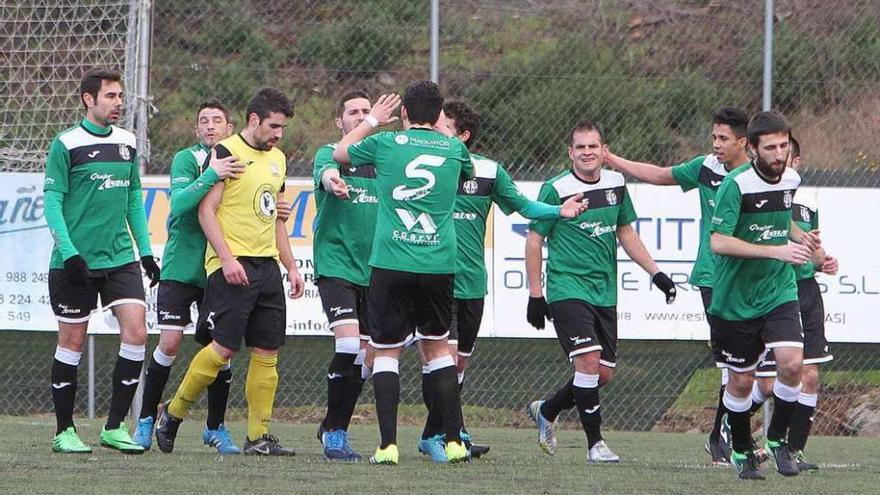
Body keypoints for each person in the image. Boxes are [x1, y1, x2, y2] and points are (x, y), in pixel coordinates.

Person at [416, 101, 588, 462]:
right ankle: (443, 435)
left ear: (462, 135)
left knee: (458, 366)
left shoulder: (490, 172)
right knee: (442, 361)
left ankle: (448, 430)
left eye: (443, 126)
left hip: (472, 283)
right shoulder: (427, 164)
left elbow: (524, 206)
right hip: (434, 279)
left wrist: (560, 210)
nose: (434, 129)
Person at [154, 87, 305, 456]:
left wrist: (291, 266)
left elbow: (276, 219)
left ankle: (258, 437)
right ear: (254, 120)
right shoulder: (225, 153)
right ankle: (172, 415)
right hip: (231, 264)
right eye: (274, 126)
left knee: (268, 352)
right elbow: (205, 212)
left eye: (283, 127)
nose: (278, 134)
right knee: (222, 350)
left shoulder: (278, 160)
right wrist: (226, 258)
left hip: (267, 266)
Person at [332, 81, 471, 465]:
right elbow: (464, 174)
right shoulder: (456, 148)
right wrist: (442, 131)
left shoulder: (387, 143)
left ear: (405, 113)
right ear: (439, 113)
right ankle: (455, 440)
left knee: (387, 352)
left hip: (391, 262)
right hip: (438, 264)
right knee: (438, 349)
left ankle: (388, 446)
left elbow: (341, 151)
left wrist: (374, 119)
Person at [604, 107, 751, 465]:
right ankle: (722, 438)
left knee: (756, 365)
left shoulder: (757, 174)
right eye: (713, 137)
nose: (715, 145)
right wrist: (611, 158)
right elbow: (657, 175)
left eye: (723, 139)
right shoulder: (706, 168)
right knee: (731, 363)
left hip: (754, 278)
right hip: (714, 278)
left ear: (743, 143)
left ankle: (728, 434)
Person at [525, 119, 677, 463]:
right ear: (570, 152)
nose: (588, 153)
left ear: (603, 150)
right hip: (567, 287)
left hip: (604, 292)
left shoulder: (615, 183)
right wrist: (536, 294)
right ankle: (596, 444)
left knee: (601, 373)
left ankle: (547, 410)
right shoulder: (556, 188)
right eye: (581, 147)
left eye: (593, 146)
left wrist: (657, 274)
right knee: (589, 362)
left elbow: (625, 232)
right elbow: (534, 240)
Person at [44, 67, 159, 454]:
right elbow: (53, 202)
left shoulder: (127, 142)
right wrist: (69, 251)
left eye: (121, 96)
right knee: (72, 341)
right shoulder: (66, 143)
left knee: (137, 333)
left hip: (120, 258)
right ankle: (64, 431)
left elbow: (132, 202)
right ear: (88, 99)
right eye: (110, 96)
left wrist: (145, 252)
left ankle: (114, 428)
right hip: (74, 262)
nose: (118, 103)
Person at [133, 100, 247, 453]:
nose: (210, 126)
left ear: (230, 127)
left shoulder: (242, 160)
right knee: (168, 342)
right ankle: (145, 421)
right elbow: (181, 204)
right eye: (203, 121)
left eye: (217, 120)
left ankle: (215, 427)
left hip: (218, 267)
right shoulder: (188, 159)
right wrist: (213, 173)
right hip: (181, 267)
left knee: (221, 350)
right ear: (197, 129)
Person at [709, 111, 813, 479]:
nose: (779, 153)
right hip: (736, 298)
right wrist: (778, 249)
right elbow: (718, 241)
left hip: (777, 289)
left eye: (784, 145)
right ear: (752, 149)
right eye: (770, 147)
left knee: (792, 363)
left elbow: (782, 217)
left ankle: (777, 441)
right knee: (741, 380)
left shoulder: (791, 179)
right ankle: (740, 450)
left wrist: (802, 238)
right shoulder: (735, 185)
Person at [751, 137, 838, 472]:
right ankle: (733, 426)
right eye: (774, 152)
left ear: (797, 161)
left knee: (811, 376)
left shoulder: (807, 205)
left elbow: (814, 250)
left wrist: (824, 262)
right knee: (769, 383)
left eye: (787, 155)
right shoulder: (761, 198)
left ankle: (793, 451)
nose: (781, 160)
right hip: (774, 291)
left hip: (806, 291)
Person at [312, 90, 378, 461]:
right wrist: (333, 181)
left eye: (366, 111)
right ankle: (336, 434)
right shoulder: (328, 151)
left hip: (377, 272)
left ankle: (332, 421)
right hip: (337, 267)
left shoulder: (385, 160)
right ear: (341, 122)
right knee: (350, 345)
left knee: (367, 358)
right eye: (353, 112)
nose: (360, 116)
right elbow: (328, 170)